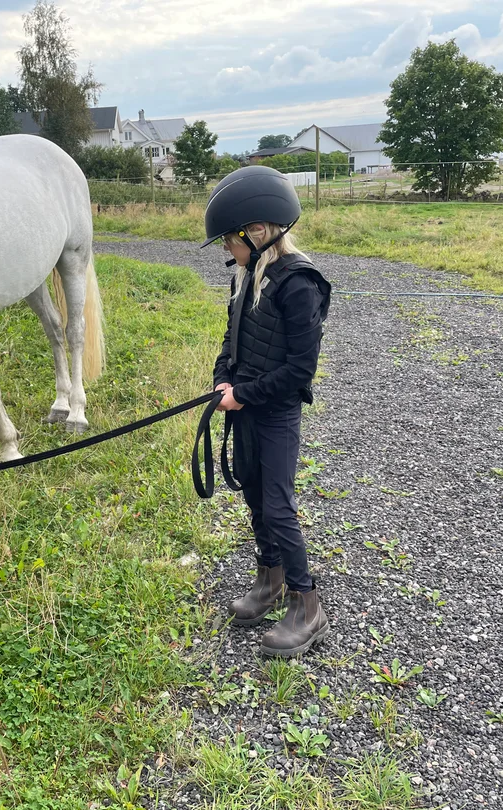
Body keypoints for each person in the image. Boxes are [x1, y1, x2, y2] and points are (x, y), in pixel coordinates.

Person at [199, 164, 333, 658]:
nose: (226, 251)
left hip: (274, 413)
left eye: (229, 241)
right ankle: (270, 577)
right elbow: (230, 344)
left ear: (257, 232)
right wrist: (222, 379)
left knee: (278, 506)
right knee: (255, 496)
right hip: (246, 408)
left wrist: (245, 395)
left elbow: (300, 370)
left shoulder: (299, 286)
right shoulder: (245, 276)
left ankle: (307, 604)